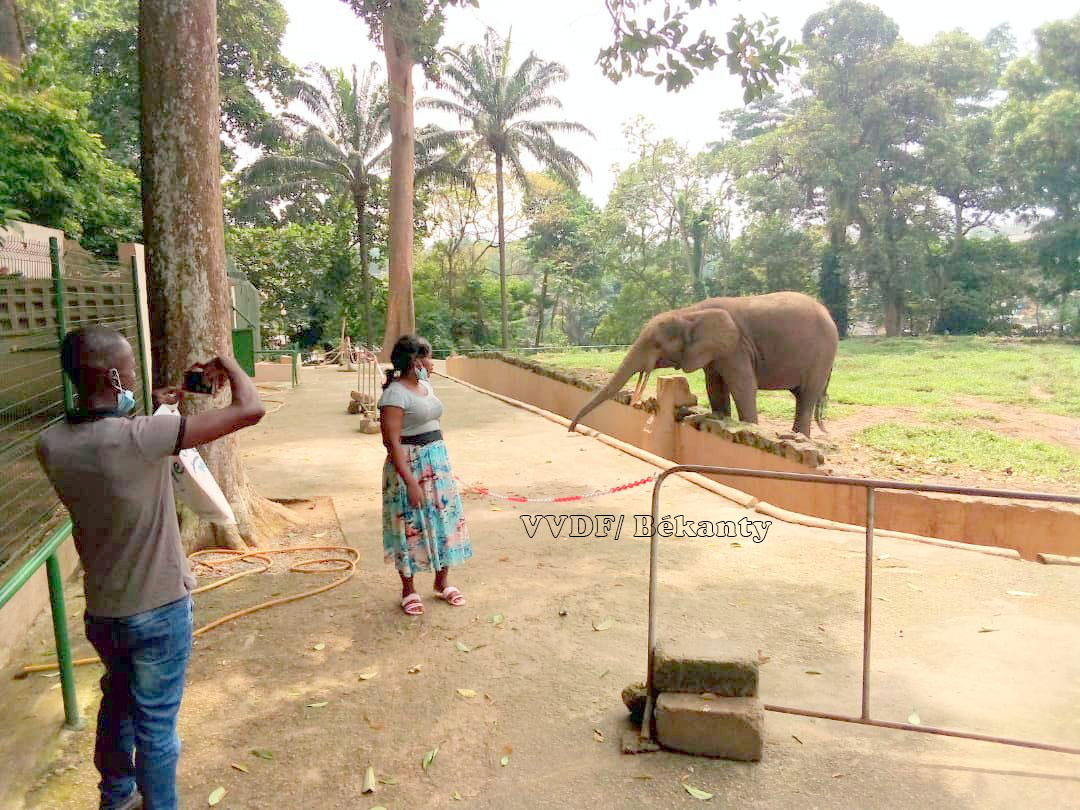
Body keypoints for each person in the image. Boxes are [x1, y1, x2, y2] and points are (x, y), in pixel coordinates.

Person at [35, 325, 265, 810]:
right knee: (157, 725)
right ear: (116, 378)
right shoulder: (145, 437)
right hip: (158, 608)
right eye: (132, 374)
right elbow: (251, 409)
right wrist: (230, 358)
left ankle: (116, 796)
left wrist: (158, 405)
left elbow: (109, 439)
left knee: (117, 703)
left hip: (104, 611)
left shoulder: (51, 444)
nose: (138, 382)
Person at [378, 334, 472, 615]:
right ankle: (408, 589)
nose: (432, 363)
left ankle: (442, 583)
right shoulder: (394, 394)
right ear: (414, 361)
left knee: (444, 521)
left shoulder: (426, 386)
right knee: (410, 525)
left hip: (436, 463)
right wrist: (410, 483)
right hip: (409, 465)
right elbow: (391, 442)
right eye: (428, 357)